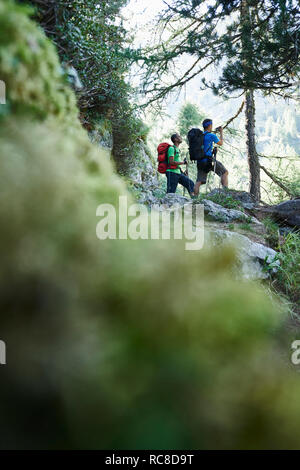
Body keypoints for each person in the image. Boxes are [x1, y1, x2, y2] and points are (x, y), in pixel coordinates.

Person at [193, 119, 228, 196]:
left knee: (199, 181)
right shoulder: (211, 135)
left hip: (200, 161)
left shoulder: (200, 136)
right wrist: (221, 132)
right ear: (210, 125)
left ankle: (194, 199)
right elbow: (220, 143)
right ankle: (226, 193)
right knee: (224, 172)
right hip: (208, 161)